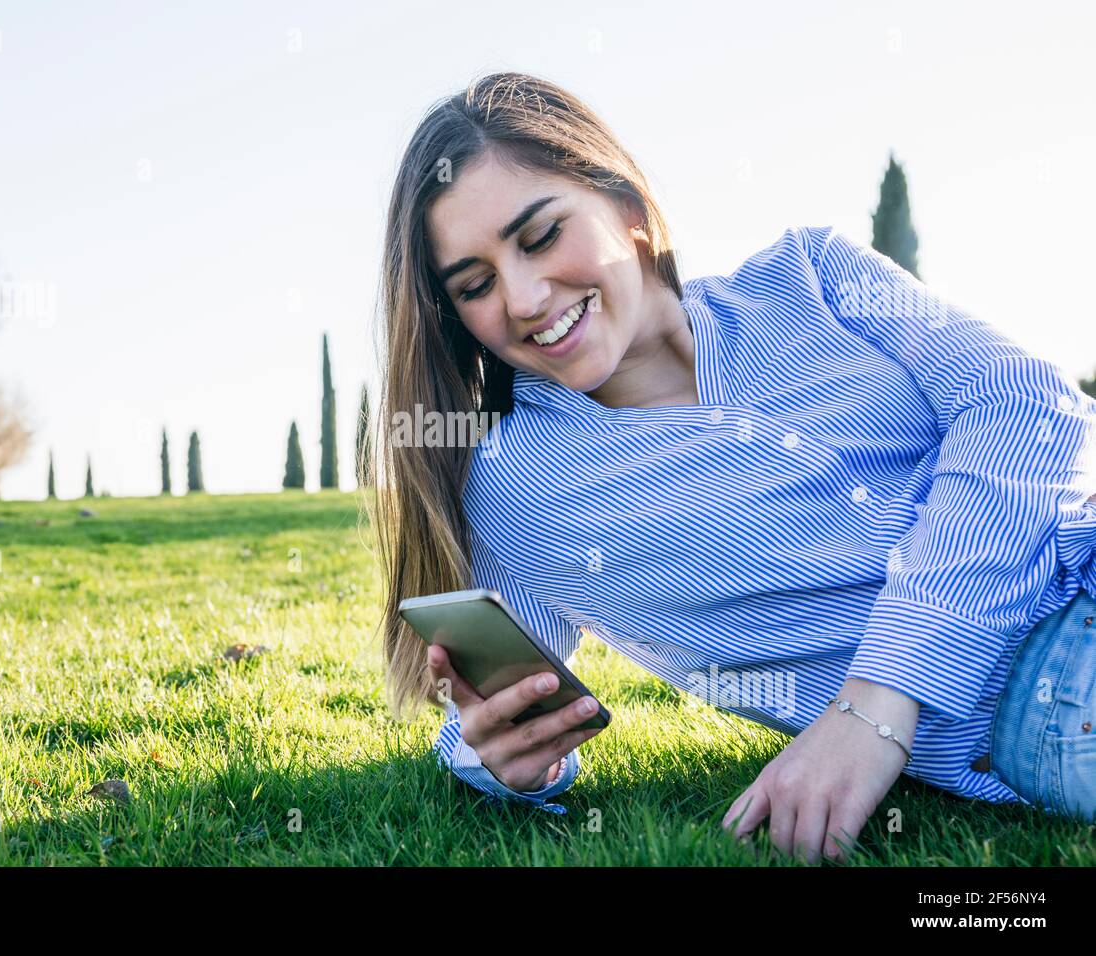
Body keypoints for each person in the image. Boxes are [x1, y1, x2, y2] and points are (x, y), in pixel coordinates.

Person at [369, 71, 1096, 864]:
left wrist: (876, 702)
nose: (525, 297)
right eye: (475, 285)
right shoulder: (517, 490)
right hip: (1054, 688)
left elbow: (1024, 401)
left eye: (541, 236)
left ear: (627, 208)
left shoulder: (815, 273)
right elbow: (493, 713)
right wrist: (506, 761)